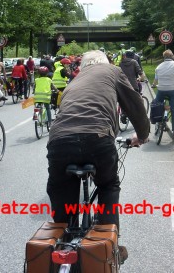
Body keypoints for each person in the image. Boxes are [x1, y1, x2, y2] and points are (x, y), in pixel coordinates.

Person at [46, 50, 150, 263]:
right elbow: (134, 103)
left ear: (83, 66)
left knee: (60, 190)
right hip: (98, 138)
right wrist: (142, 135)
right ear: (105, 62)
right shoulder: (112, 71)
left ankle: (61, 238)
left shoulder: (75, 80)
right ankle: (110, 247)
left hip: (59, 141)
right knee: (108, 185)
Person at [151, 49, 174, 138]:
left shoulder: (158, 67)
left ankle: (159, 122)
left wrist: (153, 85)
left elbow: (156, 80)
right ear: (172, 56)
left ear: (164, 58)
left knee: (157, 104)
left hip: (162, 90)